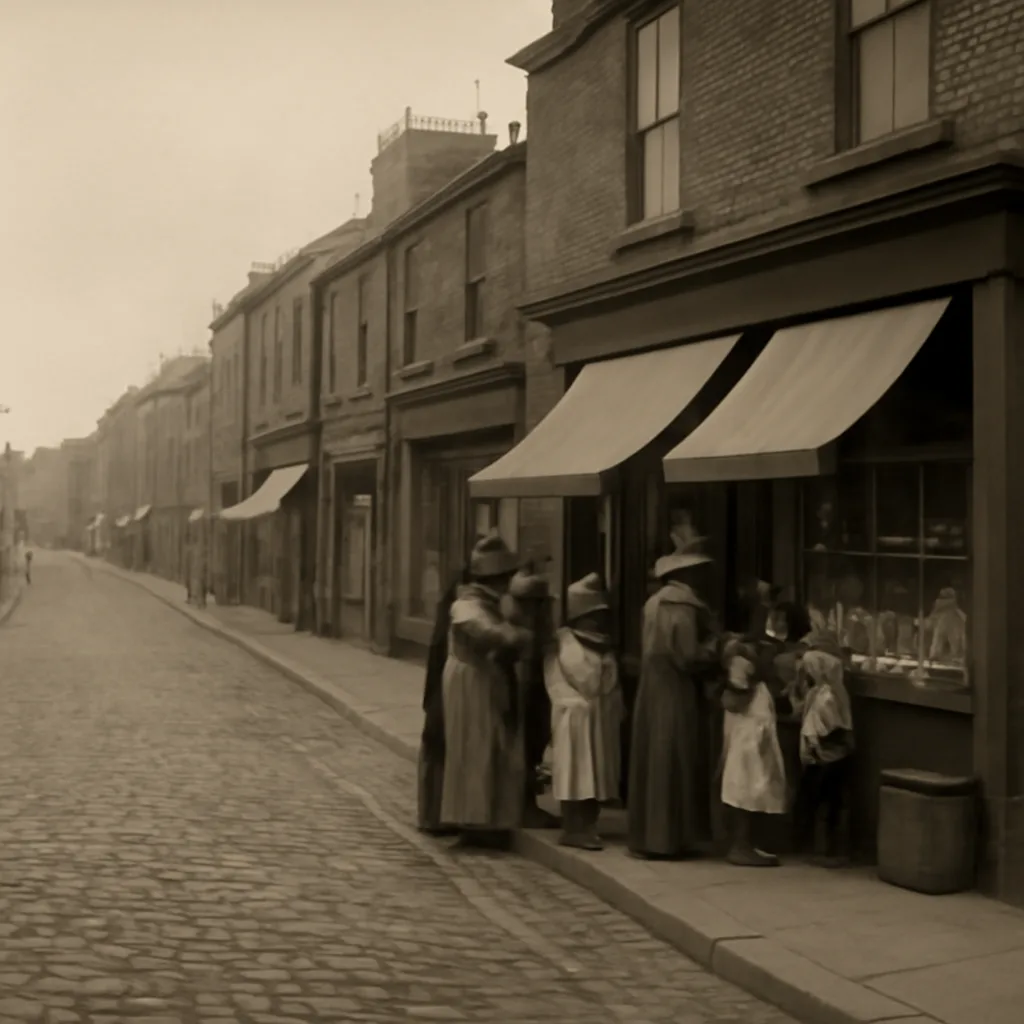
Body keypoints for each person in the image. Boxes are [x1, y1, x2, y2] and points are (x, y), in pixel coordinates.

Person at [628, 530, 719, 859]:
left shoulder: (654, 602)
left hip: (652, 686)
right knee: (672, 756)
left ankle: (649, 834)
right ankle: (667, 837)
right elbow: (687, 655)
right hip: (675, 687)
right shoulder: (681, 606)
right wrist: (716, 649)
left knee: (653, 755)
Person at [440, 532, 530, 849]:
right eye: (506, 577)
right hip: (470, 681)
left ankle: (489, 817)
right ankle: (474, 819)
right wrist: (513, 635)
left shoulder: (490, 603)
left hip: (483, 677)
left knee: (490, 746)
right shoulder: (467, 604)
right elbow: (482, 631)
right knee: (475, 746)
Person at [544, 572, 623, 851]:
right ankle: (573, 826)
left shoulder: (600, 644)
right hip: (573, 719)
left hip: (596, 718)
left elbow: (609, 685)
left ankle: (588, 823)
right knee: (575, 772)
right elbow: (587, 679)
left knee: (594, 774)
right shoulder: (567, 644)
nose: (600, 621)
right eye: (595, 615)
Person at [719, 636, 787, 866]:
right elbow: (736, 698)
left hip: (756, 741)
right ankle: (740, 845)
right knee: (744, 791)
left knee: (755, 791)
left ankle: (747, 843)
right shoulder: (743, 688)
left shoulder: (760, 689)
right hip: (748, 744)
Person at [791, 635, 855, 866]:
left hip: (825, 756)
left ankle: (826, 850)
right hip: (833, 755)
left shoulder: (825, 697)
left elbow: (824, 726)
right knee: (832, 802)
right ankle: (830, 849)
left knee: (826, 803)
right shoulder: (830, 692)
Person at [506, 564, 560, 829]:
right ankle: (524, 805)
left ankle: (522, 802)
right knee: (526, 743)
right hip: (525, 684)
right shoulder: (523, 623)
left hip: (532, 682)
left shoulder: (525, 620)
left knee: (531, 744)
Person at [417, 564, 469, 836]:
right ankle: (435, 816)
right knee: (439, 744)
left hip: (443, 683)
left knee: (437, 745)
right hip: (448, 684)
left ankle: (433, 815)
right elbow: (438, 655)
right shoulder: (458, 612)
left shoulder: (450, 609)